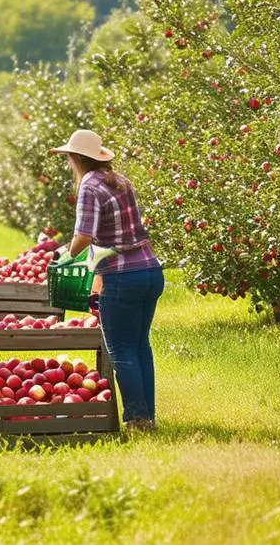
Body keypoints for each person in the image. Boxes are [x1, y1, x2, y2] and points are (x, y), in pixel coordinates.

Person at [49, 130, 163, 432]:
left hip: (123, 278)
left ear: (75, 159)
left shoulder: (88, 185)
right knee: (139, 345)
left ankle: (138, 420)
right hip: (150, 271)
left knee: (122, 348)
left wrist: (66, 254)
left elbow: (84, 237)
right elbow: (117, 237)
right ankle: (148, 416)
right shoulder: (120, 181)